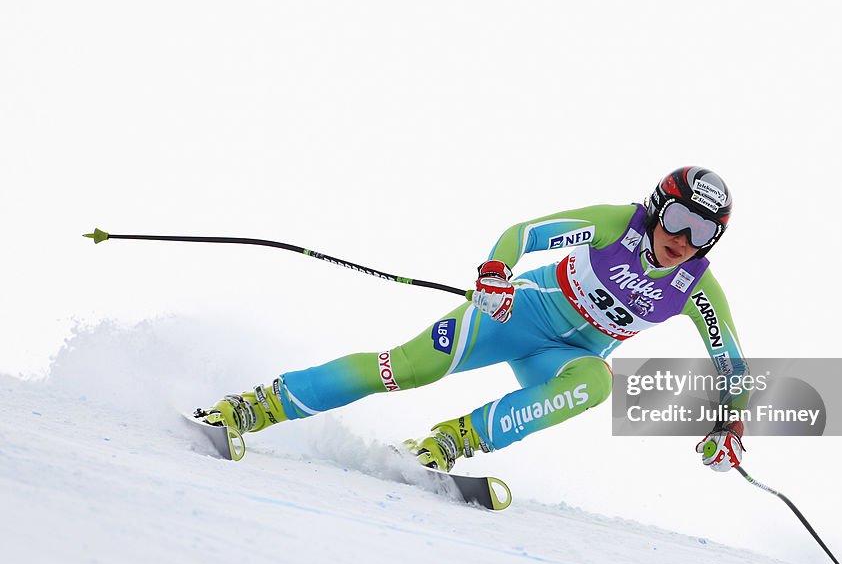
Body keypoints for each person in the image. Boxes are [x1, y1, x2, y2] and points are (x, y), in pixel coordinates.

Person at [198, 166, 748, 473]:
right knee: (405, 368)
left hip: (566, 359)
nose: (683, 240)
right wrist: (495, 274)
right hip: (519, 312)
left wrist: (730, 424)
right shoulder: (617, 224)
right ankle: (255, 406)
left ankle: (450, 443)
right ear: (656, 208)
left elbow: (732, 363)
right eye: (677, 220)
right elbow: (527, 234)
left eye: (703, 233)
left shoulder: (696, 288)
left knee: (597, 382)